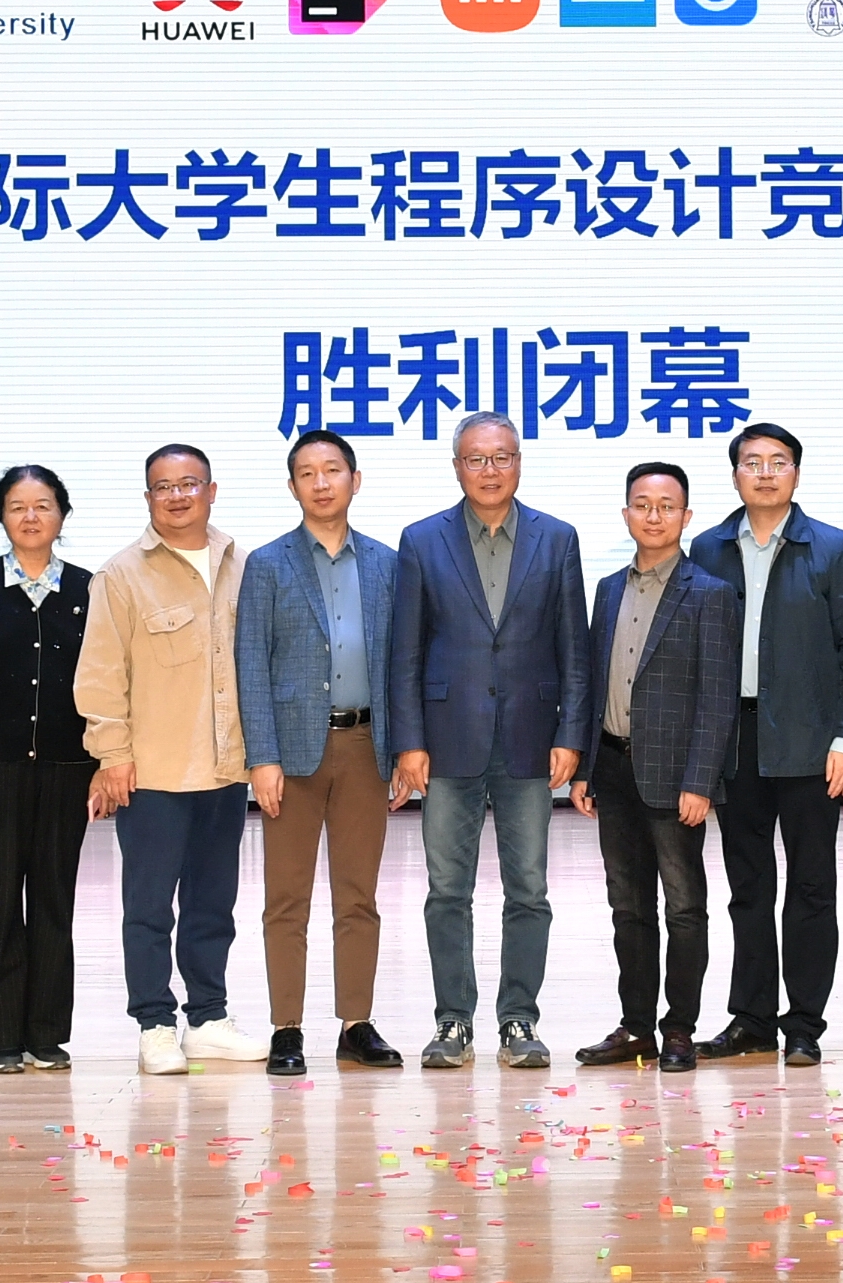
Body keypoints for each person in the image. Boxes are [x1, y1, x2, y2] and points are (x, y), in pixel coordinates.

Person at [388, 413, 593, 1070]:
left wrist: (571, 735)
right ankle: (452, 1020)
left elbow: (575, 649)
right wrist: (408, 742)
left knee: (528, 889)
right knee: (447, 890)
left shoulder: (557, 538)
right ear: (456, 467)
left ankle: (518, 1018)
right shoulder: (422, 540)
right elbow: (405, 652)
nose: (489, 470)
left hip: (532, 740)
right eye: (475, 459)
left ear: (519, 462)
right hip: (447, 740)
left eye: (501, 457)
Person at [687, 423, 843, 1066]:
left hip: (811, 742)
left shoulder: (834, 548)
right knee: (747, 888)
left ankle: (804, 1024)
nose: (765, 473)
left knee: (811, 887)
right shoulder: (708, 548)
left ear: (797, 473)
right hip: (734, 741)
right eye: (752, 462)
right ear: (734, 474)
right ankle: (750, 1019)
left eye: (778, 462)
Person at [75, 443, 261, 1076]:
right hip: (151, 771)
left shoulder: (243, 566)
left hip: (226, 768)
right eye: (163, 486)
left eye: (189, 484)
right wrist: (112, 755)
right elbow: (100, 674)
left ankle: (208, 1019)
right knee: (150, 906)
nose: (177, 496)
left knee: (213, 903)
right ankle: (154, 1023)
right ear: (148, 497)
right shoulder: (121, 575)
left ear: (212, 490)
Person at [233, 430, 408, 1076]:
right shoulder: (268, 564)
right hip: (292, 753)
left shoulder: (388, 564)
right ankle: (287, 1026)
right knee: (287, 898)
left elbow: (401, 663)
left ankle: (355, 1023)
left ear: (355, 480)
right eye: (307, 472)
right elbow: (251, 662)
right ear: (292, 487)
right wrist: (262, 756)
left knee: (358, 895)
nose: (321, 482)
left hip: (366, 746)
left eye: (333, 469)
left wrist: (404, 749)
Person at [569, 463, 743, 1072]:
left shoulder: (710, 593)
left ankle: (679, 1029)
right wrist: (587, 767)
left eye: (667, 506)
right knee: (628, 906)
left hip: (676, 778)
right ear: (626, 515)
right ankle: (636, 1025)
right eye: (642, 504)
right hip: (614, 768)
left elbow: (718, 697)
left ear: (686, 517)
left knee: (684, 907)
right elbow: (595, 681)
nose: (653, 515)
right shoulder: (607, 589)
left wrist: (701, 781)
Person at [0, 465, 98, 1072]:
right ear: (1, 516)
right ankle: (3, 1035)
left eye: (43, 505)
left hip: (68, 765)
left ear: (62, 514)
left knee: (55, 899)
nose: (31, 517)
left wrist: (105, 760)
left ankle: (47, 1033)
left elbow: (107, 679)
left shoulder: (88, 589)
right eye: (17, 506)